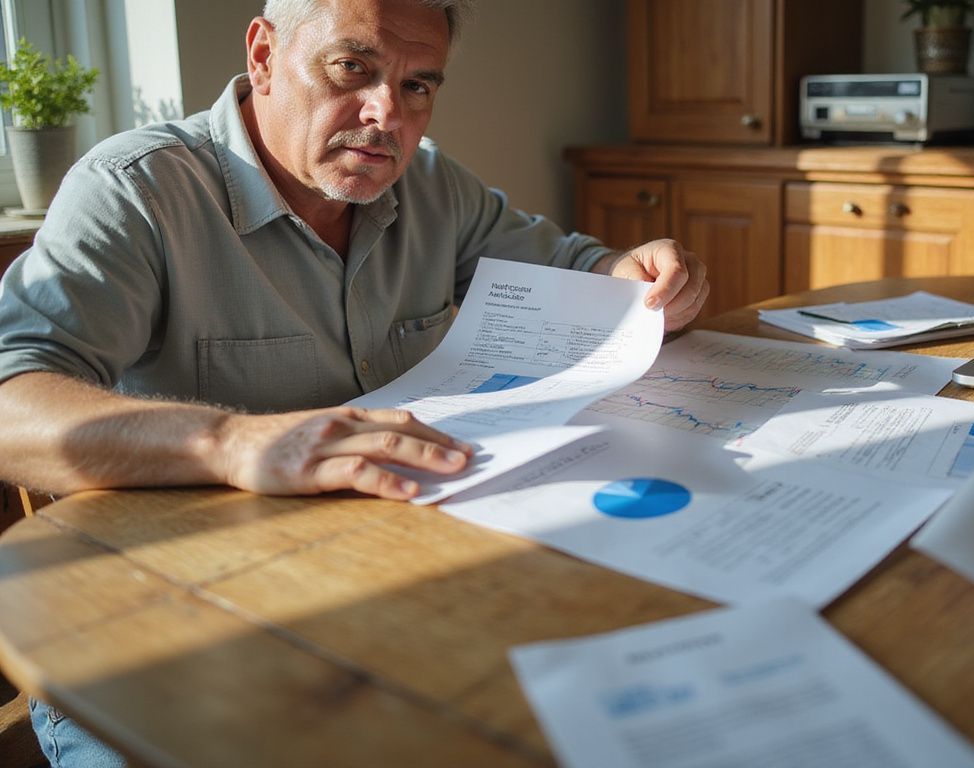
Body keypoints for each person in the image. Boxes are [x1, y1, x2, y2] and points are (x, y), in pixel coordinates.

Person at [0, 0, 707, 763]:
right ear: (264, 55)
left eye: (417, 87)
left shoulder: (435, 186)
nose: (386, 117)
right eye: (353, 68)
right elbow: (11, 406)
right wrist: (233, 444)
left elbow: (578, 266)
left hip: (391, 589)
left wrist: (633, 274)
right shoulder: (136, 189)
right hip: (153, 629)